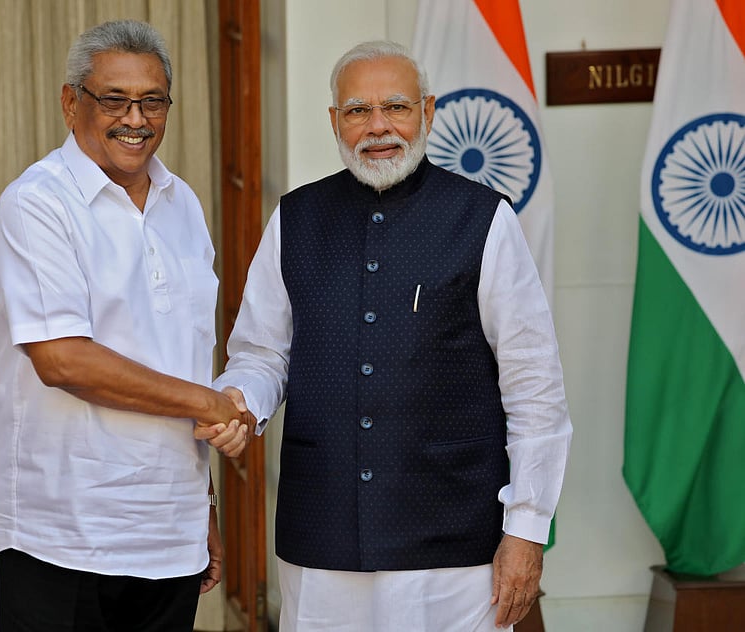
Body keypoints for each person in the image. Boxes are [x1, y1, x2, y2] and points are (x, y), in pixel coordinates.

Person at [209, 40, 572, 631]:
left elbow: (534, 386)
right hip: (321, 540)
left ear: (427, 112)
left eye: (396, 107)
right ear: (334, 121)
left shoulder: (483, 219)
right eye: (357, 111)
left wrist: (527, 529)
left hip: (453, 544)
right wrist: (241, 401)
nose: (378, 127)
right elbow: (262, 351)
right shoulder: (294, 219)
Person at [0, 20, 254, 632]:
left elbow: (180, 356)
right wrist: (208, 402)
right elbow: (64, 361)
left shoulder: (182, 203)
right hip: (61, 535)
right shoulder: (37, 203)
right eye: (115, 100)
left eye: (152, 101)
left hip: (167, 534)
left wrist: (198, 503)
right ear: (70, 101)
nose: (136, 118)